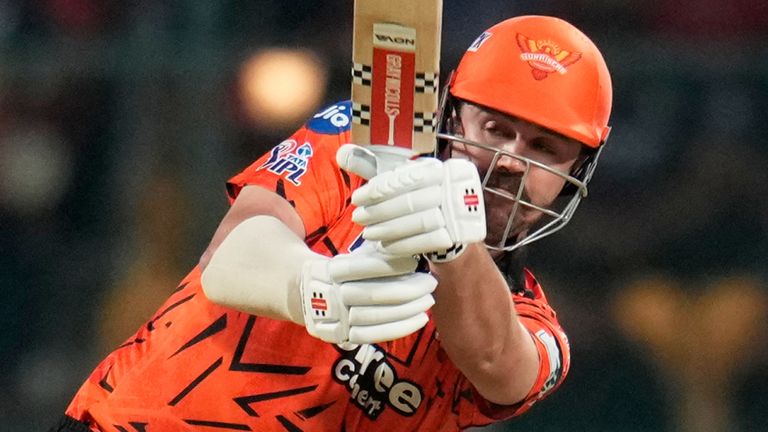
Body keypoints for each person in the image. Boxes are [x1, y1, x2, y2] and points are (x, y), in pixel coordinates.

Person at [51, 15, 612, 432]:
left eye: (544, 148)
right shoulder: (360, 143)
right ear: (450, 114)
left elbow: (499, 365)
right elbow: (230, 255)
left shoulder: (536, 327)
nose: (512, 161)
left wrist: (450, 244)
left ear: (576, 174)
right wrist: (313, 287)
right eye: (495, 129)